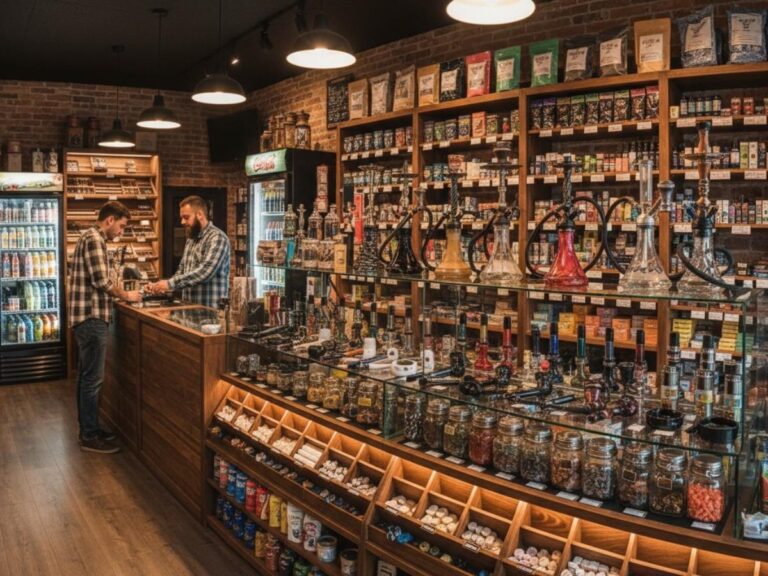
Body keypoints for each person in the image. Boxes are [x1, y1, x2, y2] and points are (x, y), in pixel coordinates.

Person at [69, 201, 142, 454]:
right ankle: (89, 435)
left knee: (86, 377)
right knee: (93, 379)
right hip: (92, 318)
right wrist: (126, 296)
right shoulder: (95, 239)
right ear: (110, 220)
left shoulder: (89, 237)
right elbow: (102, 281)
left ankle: (89, 427)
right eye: (121, 226)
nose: (121, 232)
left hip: (86, 318)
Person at [146, 195, 230, 308]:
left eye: (186, 217)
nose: (182, 222)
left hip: (210, 313)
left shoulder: (217, 238)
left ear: (200, 214)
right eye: (182, 218)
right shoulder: (191, 239)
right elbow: (182, 270)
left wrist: (169, 284)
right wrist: (161, 287)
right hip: (190, 310)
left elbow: (205, 272)